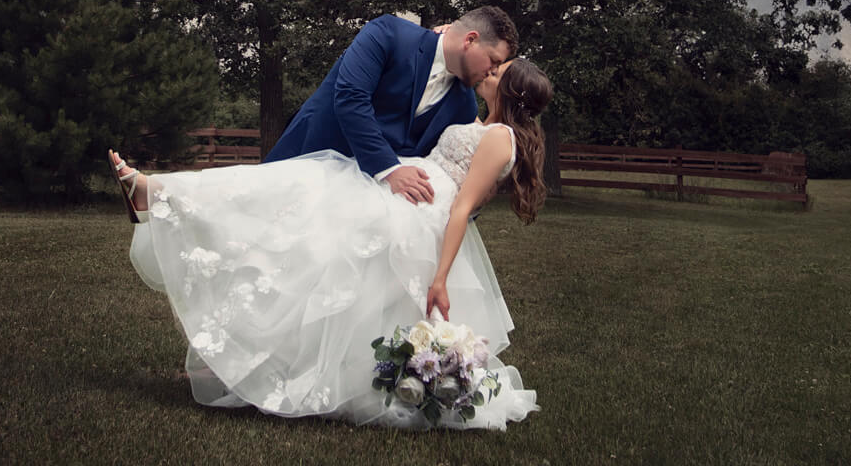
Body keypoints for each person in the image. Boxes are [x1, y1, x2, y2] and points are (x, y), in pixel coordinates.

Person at [109, 51, 553, 428]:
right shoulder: (482, 122)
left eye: (499, 71)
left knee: (312, 215)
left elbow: (462, 207)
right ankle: (162, 193)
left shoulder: (500, 138)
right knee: (304, 203)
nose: (489, 71)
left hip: (418, 214)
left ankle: (159, 194)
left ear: (512, 91)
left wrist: (440, 278)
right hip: (405, 193)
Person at [265, 6, 519, 204]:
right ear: (470, 40)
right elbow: (351, 98)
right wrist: (389, 168)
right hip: (307, 162)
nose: (493, 71)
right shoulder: (388, 34)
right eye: (493, 60)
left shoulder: (464, 106)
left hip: (361, 207)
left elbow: (450, 162)